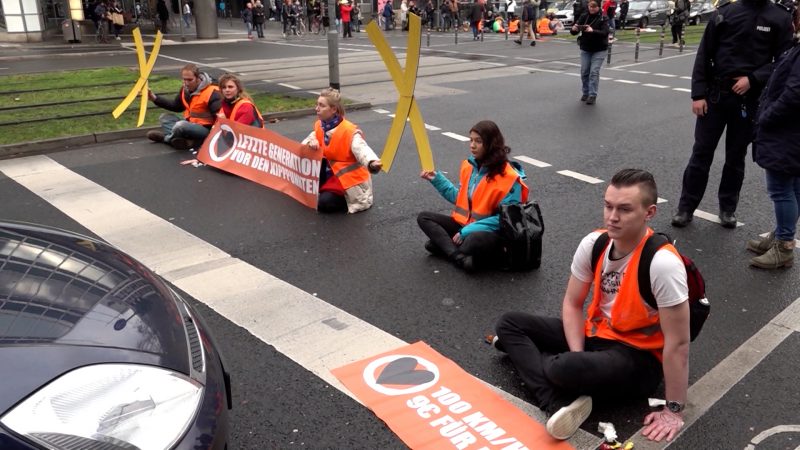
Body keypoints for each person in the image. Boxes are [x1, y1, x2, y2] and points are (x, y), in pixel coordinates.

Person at [490, 169, 689, 442]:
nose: (612, 217)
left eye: (625, 209)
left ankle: (541, 368)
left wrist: (674, 409)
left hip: (638, 357)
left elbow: (678, 343)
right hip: (597, 335)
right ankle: (556, 400)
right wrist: (577, 355)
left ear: (649, 212)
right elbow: (572, 303)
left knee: (561, 368)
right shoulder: (594, 243)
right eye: (608, 206)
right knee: (509, 322)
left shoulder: (663, 263)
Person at [670, 0, 793, 229]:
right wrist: (698, 94)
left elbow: (784, 62)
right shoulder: (726, 12)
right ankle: (686, 208)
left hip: (749, 100)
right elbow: (704, 53)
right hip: (715, 97)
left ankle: (728, 208)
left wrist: (753, 78)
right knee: (701, 154)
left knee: (736, 158)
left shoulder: (780, 17)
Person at [417, 120, 528, 272]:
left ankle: (448, 248)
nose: (472, 145)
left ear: (491, 144)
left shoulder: (509, 177)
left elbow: (506, 219)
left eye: (478, 141)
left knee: (473, 241)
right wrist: (437, 180)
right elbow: (461, 199)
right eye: (471, 140)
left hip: (489, 233)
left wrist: (466, 231)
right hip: (465, 225)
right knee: (424, 217)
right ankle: (458, 257)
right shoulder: (468, 166)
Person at [748, 6, 800, 269]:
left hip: (786, 133)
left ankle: (784, 246)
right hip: (790, 133)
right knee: (793, 186)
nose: (793, 19)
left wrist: (766, 116)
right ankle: (782, 234)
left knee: (781, 189)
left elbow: (793, 95)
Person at [300, 88, 383, 214]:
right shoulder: (320, 125)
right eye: (317, 104)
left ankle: (347, 200)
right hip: (332, 176)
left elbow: (361, 149)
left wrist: (372, 162)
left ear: (333, 109)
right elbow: (309, 139)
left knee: (324, 204)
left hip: (350, 184)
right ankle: (326, 192)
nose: (317, 108)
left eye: (321, 105)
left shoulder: (348, 131)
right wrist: (311, 142)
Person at [146, 64, 222, 150]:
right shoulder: (185, 89)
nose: (186, 83)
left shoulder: (212, 92)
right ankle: (185, 141)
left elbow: (219, 118)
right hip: (189, 124)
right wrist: (154, 98)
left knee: (180, 125)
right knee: (165, 118)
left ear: (198, 78)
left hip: (205, 130)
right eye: (184, 79)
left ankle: (166, 138)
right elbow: (176, 107)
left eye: (190, 80)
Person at [571, 0, 609, 105]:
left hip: (600, 49)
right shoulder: (584, 16)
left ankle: (592, 94)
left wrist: (593, 31)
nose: (591, 9)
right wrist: (574, 28)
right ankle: (586, 92)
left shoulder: (603, 17)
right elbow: (574, 32)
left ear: (598, 7)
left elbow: (605, 32)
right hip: (586, 48)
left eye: (594, 7)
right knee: (584, 72)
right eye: (590, 7)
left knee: (594, 72)